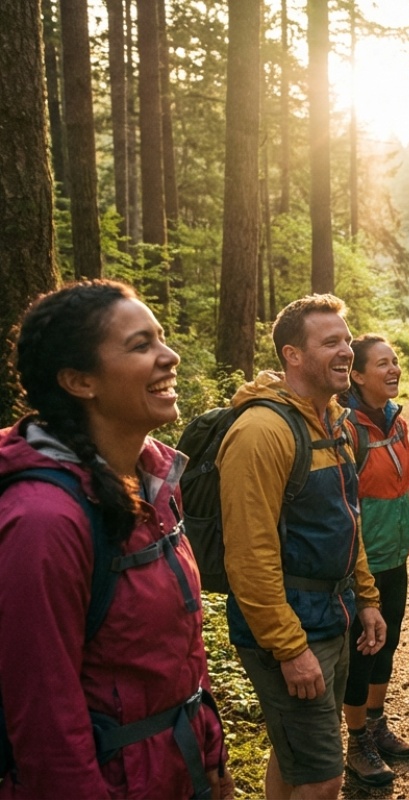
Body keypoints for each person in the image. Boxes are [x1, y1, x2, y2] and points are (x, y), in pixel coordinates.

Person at [0, 280, 231, 798]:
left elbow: (181, 646)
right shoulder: (43, 521)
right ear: (80, 380)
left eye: (161, 338)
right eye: (140, 345)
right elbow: (44, 724)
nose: (169, 356)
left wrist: (211, 750)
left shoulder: (155, 480)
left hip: (178, 768)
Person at [218, 294, 385, 800]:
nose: (346, 352)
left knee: (296, 757)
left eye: (348, 341)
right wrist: (290, 648)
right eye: (330, 342)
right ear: (292, 355)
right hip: (289, 632)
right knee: (323, 776)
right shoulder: (261, 432)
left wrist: (368, 597)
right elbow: (249, 555)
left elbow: (347, 518)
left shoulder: (331, 422)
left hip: (331, 617)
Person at [339, 334, 409, 785]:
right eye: (382, 364)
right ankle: (356, 742)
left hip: (393, 555)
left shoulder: (396, 420)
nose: (393, 369)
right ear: (356, 375)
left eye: (395, 361)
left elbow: (408, 485)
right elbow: (342, 503)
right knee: (363, 653)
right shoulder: (346, 427)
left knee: (387, 645)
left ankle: (375, 724)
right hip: (360, 564)